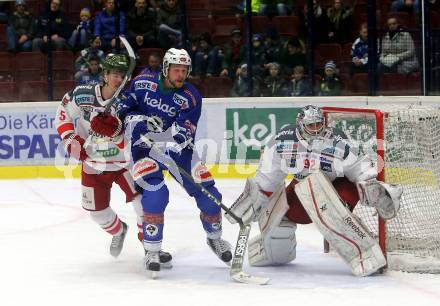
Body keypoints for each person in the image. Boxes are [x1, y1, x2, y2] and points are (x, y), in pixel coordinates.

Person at [90, 48, 232, 276]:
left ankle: (215, 239)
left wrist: (170, 137)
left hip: (177, 150)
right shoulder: (143, 82)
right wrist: (139, 121)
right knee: (156, 194)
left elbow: (187, 128)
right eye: (176, 70)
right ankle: (152, 249)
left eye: (184, 71)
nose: (180, 75)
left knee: (209, 193)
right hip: (143, 150)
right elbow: (124, 110)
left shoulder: (192, 96)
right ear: (166, 68)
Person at [225, 105, 402, 276]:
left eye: (319, 124)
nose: (316, 129)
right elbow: (267, 178)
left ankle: (367, 254)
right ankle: (269, 252)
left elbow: (360, 168)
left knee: (332, 211)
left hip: (339, 189)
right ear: (300, 125)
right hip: (304, 189)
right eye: (311, 125)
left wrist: (373, 189)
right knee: (279, 221)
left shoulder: (337, 141)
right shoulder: (282, 141)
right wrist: (254, 201)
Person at [55, 53, 172, 264]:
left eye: (123, 76)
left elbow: (135, 133)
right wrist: (71, 140)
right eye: (115, 75)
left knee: (142, 205)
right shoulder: (83, 94)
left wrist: (115, 130)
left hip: (123, 163)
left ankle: (150, 247)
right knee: (97, 213)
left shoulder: (129, 100)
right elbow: (62, 112)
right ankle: (119, 231)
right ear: (105, 74)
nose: (119, 80)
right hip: (93, 165)